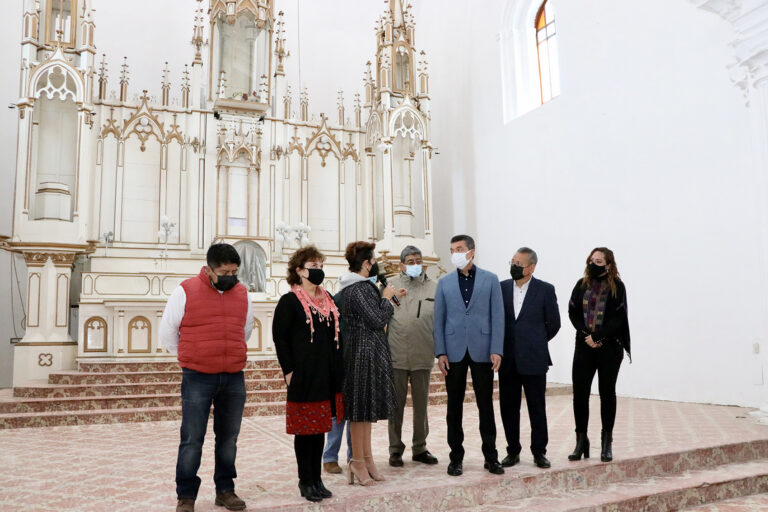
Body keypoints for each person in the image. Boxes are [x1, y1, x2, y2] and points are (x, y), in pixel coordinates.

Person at [159, 243, 253, 512]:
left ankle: (225, 490)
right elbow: (167, 332)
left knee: (228, 438)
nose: (230, 276)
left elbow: (244, 330)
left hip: (233, 376)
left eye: (234, 271)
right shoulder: (185, 290)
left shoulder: (242, 293)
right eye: (224, 271)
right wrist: (192, 355)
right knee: (192, 437)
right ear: (209, 269)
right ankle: (186, 496)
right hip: (197, 376)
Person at [272, 246, 344, 502]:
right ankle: (306, 481)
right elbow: (280, 339)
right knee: (306, 432)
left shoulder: (329, 299)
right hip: (303, 375)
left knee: (321, 428)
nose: (318, 270)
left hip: (327, 375)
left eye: (320, 265)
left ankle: (317, 479)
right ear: (299, 271)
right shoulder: (289, 301)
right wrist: (288, 372)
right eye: (312, 266)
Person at [434, 234, 505, 477]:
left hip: (483, 348)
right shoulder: (444, 283)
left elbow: (498, 316)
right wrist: (440, 351)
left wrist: (497, 348)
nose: (455, 252)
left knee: (485, 405)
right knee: (453, 407)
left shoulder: (491, 279)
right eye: (452, 249)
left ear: (471, 251)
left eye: (460, 248)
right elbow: (439, 320)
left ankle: (491, 457)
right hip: (453, 350)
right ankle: (456, 458)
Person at [337, 241, 405, 485]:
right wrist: (386, 299)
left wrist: (391, 297)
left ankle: (367, 459)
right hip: (360, 354)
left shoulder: (363, 287)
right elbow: (377, 319)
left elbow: (377, 313)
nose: (375, 264)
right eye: (373, 260)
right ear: (366, 264)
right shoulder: (357, 289)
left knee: (366, 412)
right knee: (359, 412)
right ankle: (357, 461)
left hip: (369, 352)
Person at [498, 247, 560, 470]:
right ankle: (512, 450)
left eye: (519, 263)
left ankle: (539, 451)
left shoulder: (545, 290)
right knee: (508, 408)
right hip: (507, 360)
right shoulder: (501, 288)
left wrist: (535, 341)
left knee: (537, 407)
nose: (514, 266)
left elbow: (554, 324)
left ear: (531, 267)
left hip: (534, 359)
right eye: (512, 261)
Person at [567, 247, 630, 463]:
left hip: (610, 347)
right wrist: (586, 334)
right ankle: (581, 440)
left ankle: (606, 442)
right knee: (580, 393)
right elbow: (572, 311)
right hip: (584, 344)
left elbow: (619, 317)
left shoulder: (617, 287)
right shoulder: (581, 284)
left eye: (599, 260)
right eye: (592, 260)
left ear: (609, 265)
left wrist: (599, 337)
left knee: (606, 392)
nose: (594, 263)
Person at [387, 245, 439, 468]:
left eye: (418, 260)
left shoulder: (435, 288)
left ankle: (420, 448)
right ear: (401, 265)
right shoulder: (390, 286)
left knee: (421, 406)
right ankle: (395, 450)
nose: (414, 264)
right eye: (409, 261)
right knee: (395, 406)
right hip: (396, 354)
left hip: (422, 353)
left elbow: (440, 321)